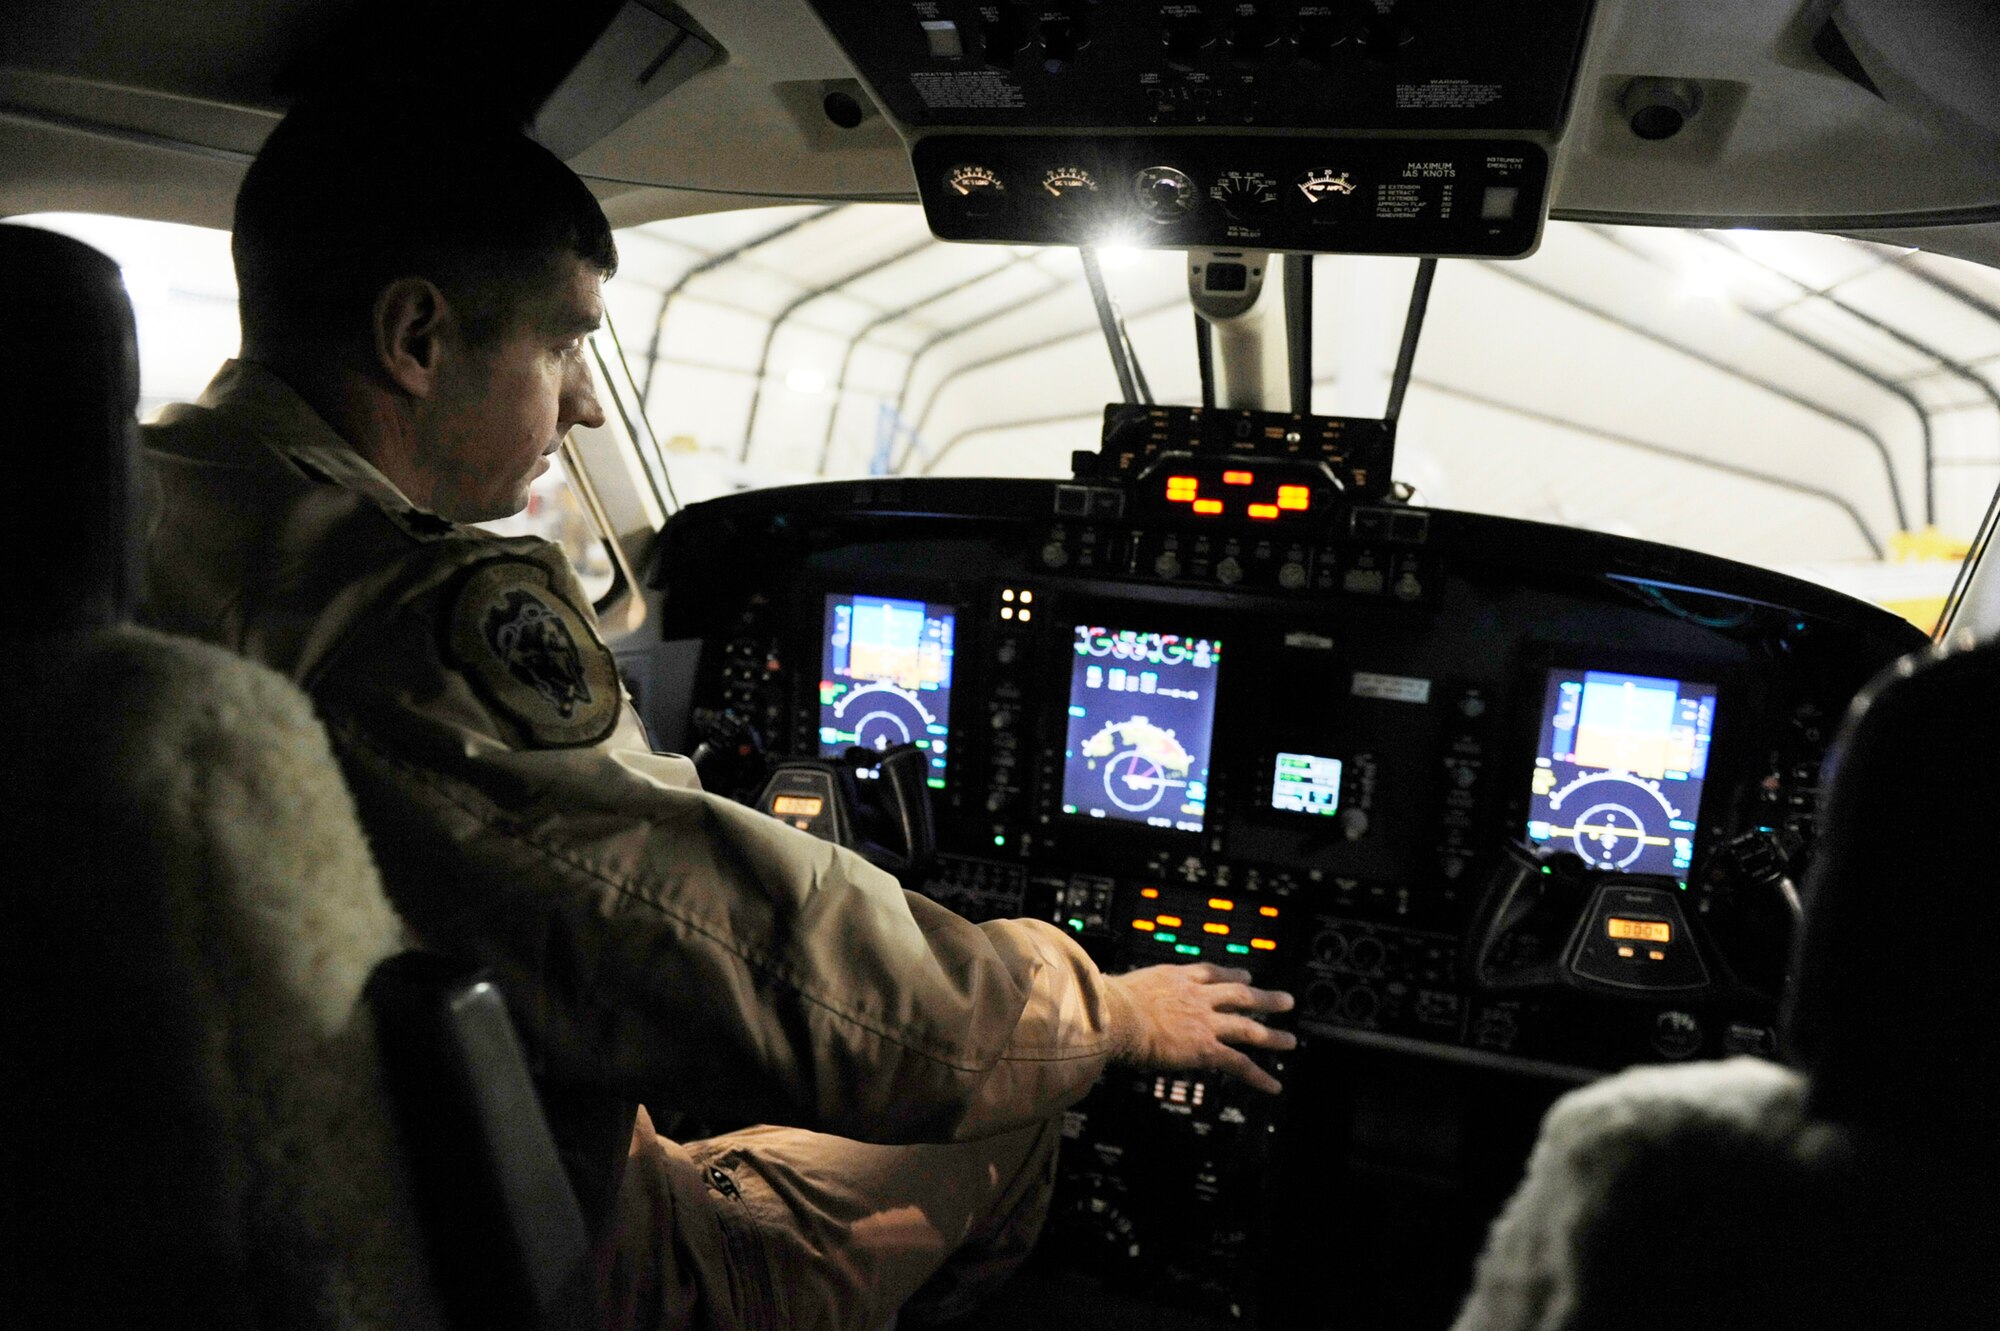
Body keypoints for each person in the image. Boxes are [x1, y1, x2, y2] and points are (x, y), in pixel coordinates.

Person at [139, 100, 1296, 1329]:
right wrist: (1108, 1006)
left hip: (210, 1218)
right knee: (1011, 1111)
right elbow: (819, 985)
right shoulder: (396, 622)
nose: (588, 404)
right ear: (417, 335)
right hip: (518, 1264)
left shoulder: (124, 521)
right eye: (567, 344)